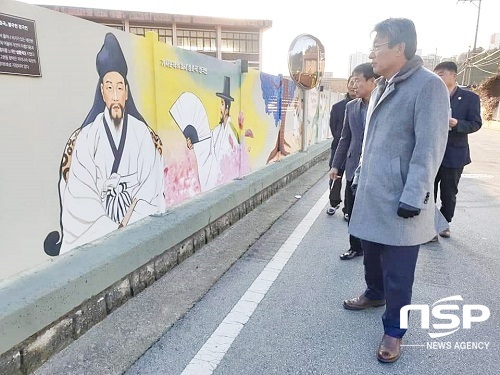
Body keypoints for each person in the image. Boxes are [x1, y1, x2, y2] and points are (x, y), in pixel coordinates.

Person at [344, 18, 450, 363]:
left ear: (399, 47)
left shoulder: (428, 86)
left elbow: (430, 146)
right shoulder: (380, 87)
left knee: (399, 271)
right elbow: (370, 144)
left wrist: (414, 195)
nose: (372, 53)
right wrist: (359, 175)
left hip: (403, 199)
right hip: (373, 193)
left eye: (378, 45)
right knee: (371, 256)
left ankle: (394, 331)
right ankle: (374, 294)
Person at [44, 33, 166, 256]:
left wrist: (127, 224)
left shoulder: (142, 134)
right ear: (102, 91)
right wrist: (110, 230)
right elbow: (79, 196)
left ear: (127, 92)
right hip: (98, 229)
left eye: (120, 87)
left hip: (134, 221)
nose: (116, 95)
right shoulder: (86, 139)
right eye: (110, 87)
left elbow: (151, 186)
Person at [329, 63, 378, 259]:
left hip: (376, 169)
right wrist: (335, 165)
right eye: (353, 80)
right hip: (353, 167)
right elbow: (345, 138)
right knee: (352, 210)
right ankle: (355, 247)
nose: (353, 85)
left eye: (358, 80)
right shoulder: (351, 107)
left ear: (372, 82)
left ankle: (374, 248)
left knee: (374, 212)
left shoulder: (385, 104)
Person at [433, 61, 482, 238]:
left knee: (449, 192)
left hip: (454, 153)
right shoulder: (431, 95)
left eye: (441, 74)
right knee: (428, 191)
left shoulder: (470, 98)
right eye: (435, 74)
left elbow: (476, 123)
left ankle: (444, 223)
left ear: (454, 76)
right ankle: (428, 225)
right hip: (432, 152)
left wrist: (458, 124)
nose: (437, 77)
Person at [186, 76, 239, 193]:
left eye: (222, 103)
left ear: (227, 107)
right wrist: (194, 144)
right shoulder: (217, 131)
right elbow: (205, 143)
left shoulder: (232, 133)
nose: (220, 108)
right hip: (216, 183)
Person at [326, 76, 356, 216]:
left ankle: (348, 209)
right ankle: (334, 203)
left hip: (355, 150)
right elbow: (333, 127)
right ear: (347, 85)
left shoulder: (366, 107)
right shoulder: (337, 107)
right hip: (339, 147)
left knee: (351, 179)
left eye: (357, 82)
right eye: (351, 82)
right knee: (335, 175)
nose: (354, 86)